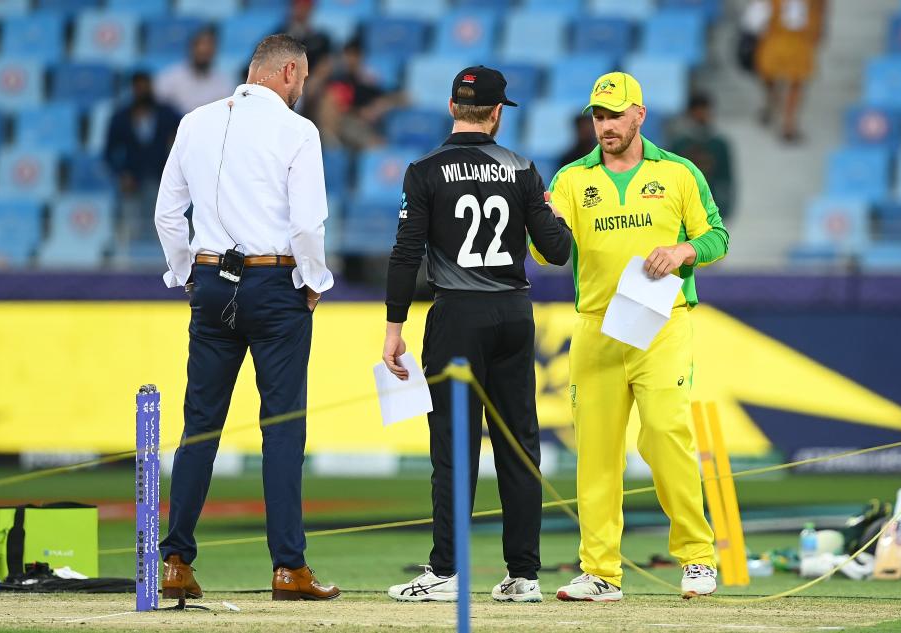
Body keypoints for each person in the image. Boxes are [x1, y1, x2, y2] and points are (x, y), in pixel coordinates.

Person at [154, 34, 339, 602]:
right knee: (282, 427)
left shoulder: (195, 121)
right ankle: (288, 569)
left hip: (211, 284)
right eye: (302, 80)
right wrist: (313, 281)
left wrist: (187, 271)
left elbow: (167, 212)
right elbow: (308, 226)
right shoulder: (297, 131)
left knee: (201, 425)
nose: (302, 90)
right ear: (287, 71)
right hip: (275, 284)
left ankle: (176, 562)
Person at [530, 72, 729, 602]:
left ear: (639, 114)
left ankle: (697, 557)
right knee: (595, 452)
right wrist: (542, 220)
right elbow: (548, 253)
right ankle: (600, 572)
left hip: (663, 321)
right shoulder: (572, 179)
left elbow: (716, 236)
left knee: (665, 434)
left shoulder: (679, 172)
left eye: (614, 115)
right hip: (598, 325)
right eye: (597, 116)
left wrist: (684, 252)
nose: (605, 126)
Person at [382, 66, 573, 603]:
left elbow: (405, 255)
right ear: (496, 114)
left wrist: (394, 327)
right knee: (518, 445)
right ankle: (524, 576)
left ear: (451, 107)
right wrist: (552, 214)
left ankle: (446, 571)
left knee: (454, 447)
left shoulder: (423, 170)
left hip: (456, 315)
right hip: (514, 314)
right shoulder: (521, 169)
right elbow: (557, 251)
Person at [104, 71, 181, 246]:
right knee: (132, 227)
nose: (142, 91)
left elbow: (186, 130)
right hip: (132, 180)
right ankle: (131, 266)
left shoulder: (165, 114)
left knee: (163, 225)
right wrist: (122, 174)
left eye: (145, 86)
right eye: (138, 87)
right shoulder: (121, 117)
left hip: (161, 178)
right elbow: (109, 152)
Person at [315, 38, 406, 150]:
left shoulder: (368, 80)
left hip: (362, 124)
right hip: (343, 121)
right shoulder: (336, 78)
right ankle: (330, 145)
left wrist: (379, 106)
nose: (350, 59)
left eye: (354, 55)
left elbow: (401, 97)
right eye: (347, 55)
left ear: (361, 57)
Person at [755, 0, 826, 142]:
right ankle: (773, 101)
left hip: (800, 39)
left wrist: (820, 27)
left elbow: (821, 6)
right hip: (775, 35)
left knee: (796, 81)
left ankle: (788, 125)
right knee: (767, 75)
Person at [668, 93, 735, 220]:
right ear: (690, 113)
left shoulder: (719, 145)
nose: (702, 115)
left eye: (705, 110)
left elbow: (726, 178)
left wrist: (725, 207)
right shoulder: (678, 144)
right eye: (698, 111)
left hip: (712, 206)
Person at [155, 27, 236, 115]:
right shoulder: (171, 77)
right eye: (200, 45)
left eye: (209, 46)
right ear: (191, 47)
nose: (204, 50)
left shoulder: (224, 82)